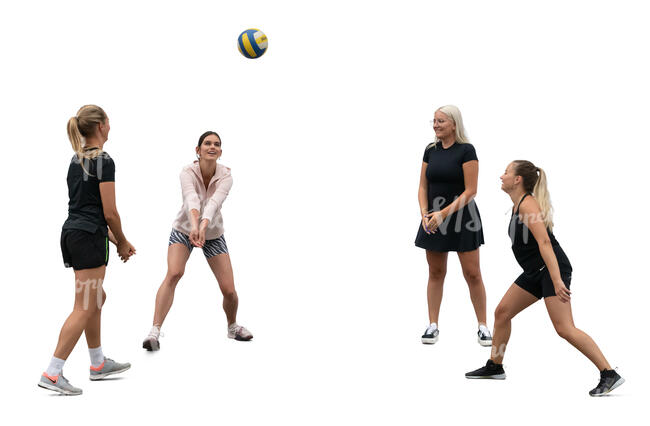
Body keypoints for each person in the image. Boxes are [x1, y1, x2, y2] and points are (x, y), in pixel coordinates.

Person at [465, 160, 624, 396]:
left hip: (551, 270)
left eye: (506, 172)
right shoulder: (519, 204)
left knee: (564, 328)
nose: (502, 176)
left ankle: (609, 373)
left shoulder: (528, 205)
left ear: (518, 179)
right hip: (535, 272)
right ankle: (495, 366)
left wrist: (557, 280)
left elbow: (545, 242)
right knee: (502, 313)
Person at [38, 105, 135, 396]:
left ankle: (97, 363)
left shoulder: (75, 160)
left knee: (96, 298)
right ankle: (52, 373)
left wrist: (116, 242)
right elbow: (110, 213)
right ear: (102, 125)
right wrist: (123, 240)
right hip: (89, 238)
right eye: (108, 121)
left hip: (74, 234)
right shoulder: (105, 161)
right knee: (84, 306)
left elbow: (87, 210)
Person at [142, 131, 252, 351]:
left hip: (212, 233)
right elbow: (190, 197)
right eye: (207, 143)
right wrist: (194, 226)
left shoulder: (226, 175)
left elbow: (213, 203)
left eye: (217, 144)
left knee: (229, 290)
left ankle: (232, 327)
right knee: (174, 273)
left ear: (220, 151)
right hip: (184, 229)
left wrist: (202, 227)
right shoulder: (187, 172)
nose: (212, 147)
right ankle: (154, 331)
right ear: (198, 150)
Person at [415, 105, 491, 346]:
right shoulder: (430, 150)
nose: (436, 125)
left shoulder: (466, 151)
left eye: (441, 121)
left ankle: (483, 326)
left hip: (462, 218)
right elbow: (422, 187)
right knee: (435, 272)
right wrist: (425, 214)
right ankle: (432, 325)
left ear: (454, 124)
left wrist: (443, 214)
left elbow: (471, 191)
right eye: (434, 121)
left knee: (473, 274)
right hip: (433, 218)